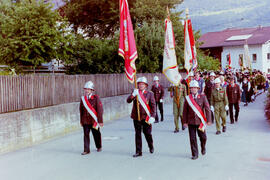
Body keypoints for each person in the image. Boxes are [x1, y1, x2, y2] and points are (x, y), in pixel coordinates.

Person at [127, 77, 156, 158]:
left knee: (148, 133)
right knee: (138, 134)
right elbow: (128, 100)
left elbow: (153, 106)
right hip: (136, 117)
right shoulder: (135, 92)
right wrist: (133, 95)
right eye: (139, 84)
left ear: (146, 85)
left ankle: (151, 145)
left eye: (142, 84)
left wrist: (153, 116)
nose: (141, 85)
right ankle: (138, 151)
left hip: (146, 117)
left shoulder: (150, 94)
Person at [183, 80, 211, 160]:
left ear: (198, 88)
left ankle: (203, 147)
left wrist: (209, 120)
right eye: (192, 88)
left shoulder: (202, 97)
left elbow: (207, 108)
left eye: (195, 88)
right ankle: (195, 154)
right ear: (190, 89)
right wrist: (184, 122)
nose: (194, 89)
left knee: (203, 137)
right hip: (191, 121)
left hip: (200, 122)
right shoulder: (188, 98)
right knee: (192, 138)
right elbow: (185, 111)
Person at [80, 81, 103, 155]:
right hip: (85, 120)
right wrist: (81, 120)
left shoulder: (96, 98)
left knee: (96, 134)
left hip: (94, 120)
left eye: (88, 89)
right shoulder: (83, 99)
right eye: (86, 89)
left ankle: (98, 146)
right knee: (86, 134)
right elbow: (81, 110)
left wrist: (100, 121)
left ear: (92, 90)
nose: (87, 91)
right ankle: (86, 150)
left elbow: (100, 110)